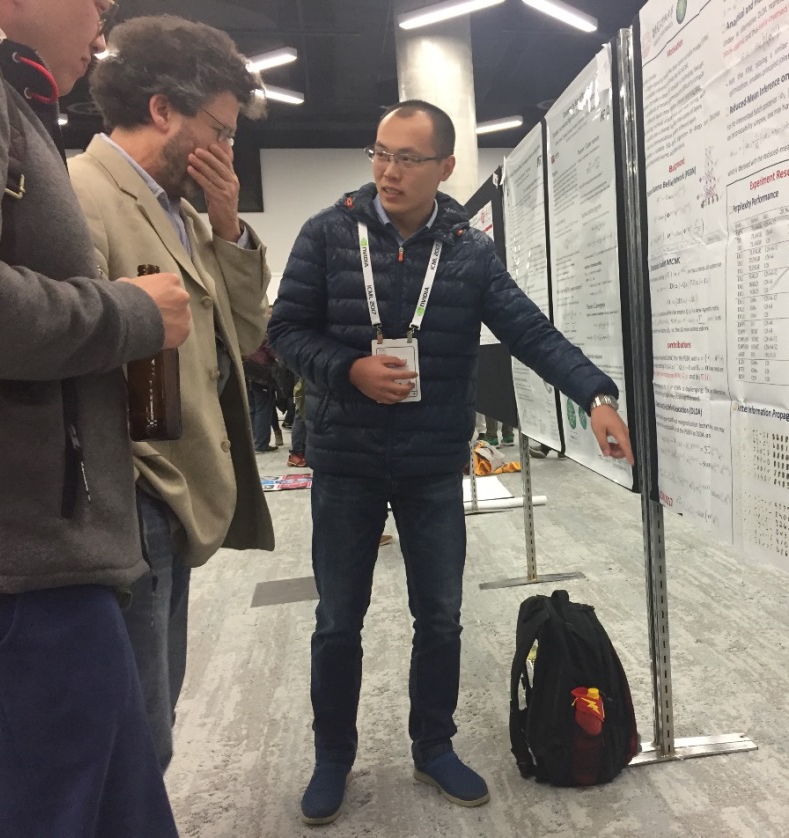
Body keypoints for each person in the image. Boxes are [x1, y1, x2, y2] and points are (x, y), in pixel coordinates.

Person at [269, 99, 633, 825]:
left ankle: (433, 745)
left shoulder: (468, 251)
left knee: (438, 616)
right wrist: (348, 369)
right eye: (380, 153)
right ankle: (332, 756)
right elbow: (285, 330)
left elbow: (529, 331)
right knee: (338, 620)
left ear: (445, 166)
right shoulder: (328, 233)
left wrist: (594, 394)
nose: (388, 170)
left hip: (432, 462)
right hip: (346, 460)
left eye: (407, 158)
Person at [0, 1, 189, 833]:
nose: (101, 32)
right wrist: (132, 314)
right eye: (96, 5)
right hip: (30, 565)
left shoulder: (20, 102)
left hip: (58, 546)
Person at [68, 14, 275, 772]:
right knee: (135, 732)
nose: (226, 149)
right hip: (130, 492)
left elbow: (244, 335)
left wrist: (228, 227)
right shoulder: (83, 193)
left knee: (158, 710)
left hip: (175, 494)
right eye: (219, 130)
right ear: (162, 109)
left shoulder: (181, 212)